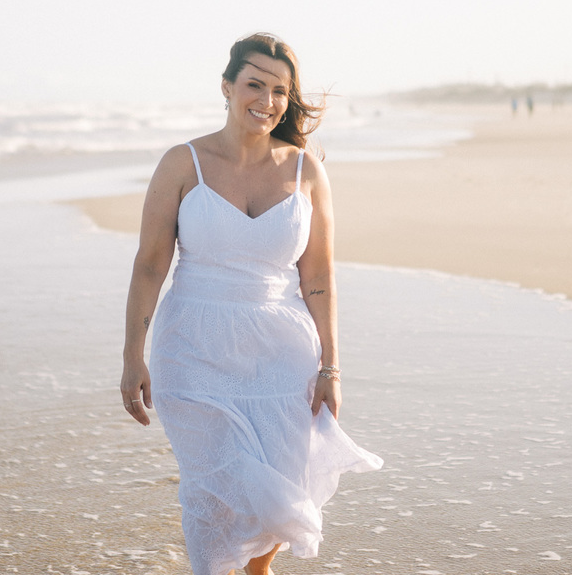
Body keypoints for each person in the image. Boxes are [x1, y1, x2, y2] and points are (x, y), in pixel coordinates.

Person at [120, 33, 383, 575]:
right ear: (227, 86)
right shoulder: (182, 163)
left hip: (282, 356)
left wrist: (332, 364)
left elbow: (319, 275)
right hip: (193, 351)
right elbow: (150, 264)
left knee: (273, 498)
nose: (267, 100)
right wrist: (132, 354)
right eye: (255, 84)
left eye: (280, 90)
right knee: (212, 492)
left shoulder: (305, 170)